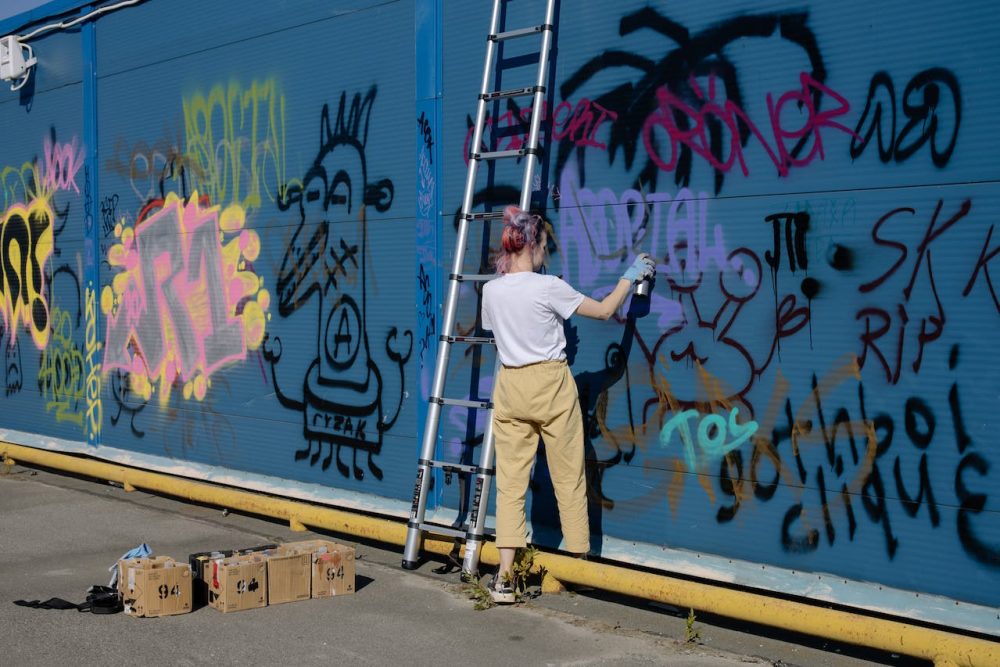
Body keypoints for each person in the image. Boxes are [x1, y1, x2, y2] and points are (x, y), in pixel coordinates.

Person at [480, 205, 655, 603]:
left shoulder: (491, 290)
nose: (547, 253)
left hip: (510, 383)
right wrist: (630, 276)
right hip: (550, 383)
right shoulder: (548, 287)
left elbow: (499, 334)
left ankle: (504, 578)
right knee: (569, 476)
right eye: (545, 246)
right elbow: (605, 311)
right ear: (532, 245)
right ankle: (577, 563)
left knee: (510, 485)